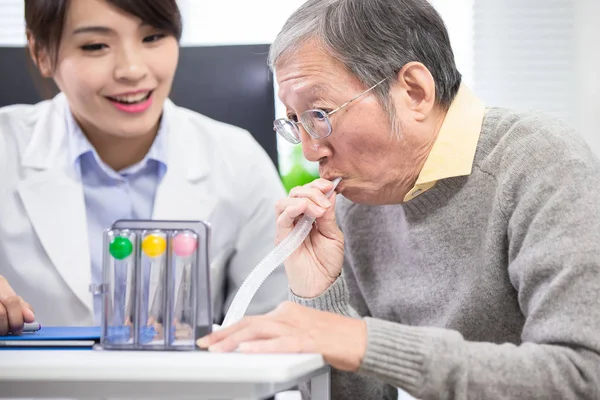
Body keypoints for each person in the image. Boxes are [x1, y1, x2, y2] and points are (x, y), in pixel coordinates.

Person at [198, 0, 600, 399]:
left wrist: (361, 340)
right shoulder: (356, 206)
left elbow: (583, 375)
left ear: (414, 91)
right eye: (295, 121)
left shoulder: (540, 163)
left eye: (319, 114)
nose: (309, 150)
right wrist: (320, 297)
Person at [0, 0, 287, 335]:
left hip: (186, 386)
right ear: (41, 53)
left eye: (152, 38)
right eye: (96, 46)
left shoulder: (238, 160)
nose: (133, 70)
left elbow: (276, 325)